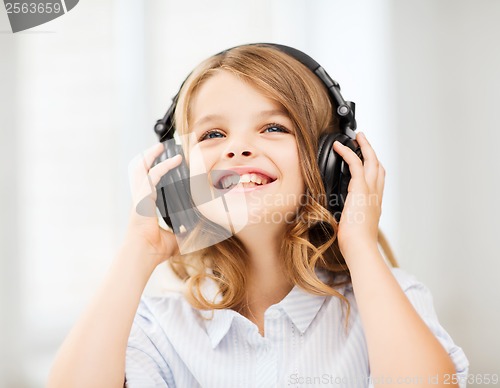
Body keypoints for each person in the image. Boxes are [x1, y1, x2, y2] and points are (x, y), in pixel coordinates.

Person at [48, 44, 469, 388]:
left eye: (273, 128)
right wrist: (139, 249)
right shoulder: (160, 328)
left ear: (332, 163)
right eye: (213, 134)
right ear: (178, 176)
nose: (238, 148)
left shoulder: (388, 299)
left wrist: (359, 243)